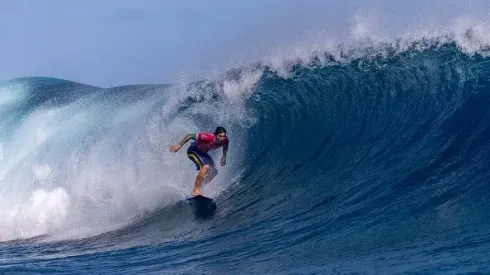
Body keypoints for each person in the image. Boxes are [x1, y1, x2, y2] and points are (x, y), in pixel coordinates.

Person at [169, 126, 229, 196]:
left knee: (214, 172)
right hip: (193, 151)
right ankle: (195, 190)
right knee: (205, 167)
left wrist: (224, 156)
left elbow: (225, 146)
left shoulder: (225, 140)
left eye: (223, 136)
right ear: (215, 135)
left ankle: (200, 187)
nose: (222, 138)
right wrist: (179, 146)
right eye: (220, 136)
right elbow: (190, 136)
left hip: (203, 154)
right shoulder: (208, 137)